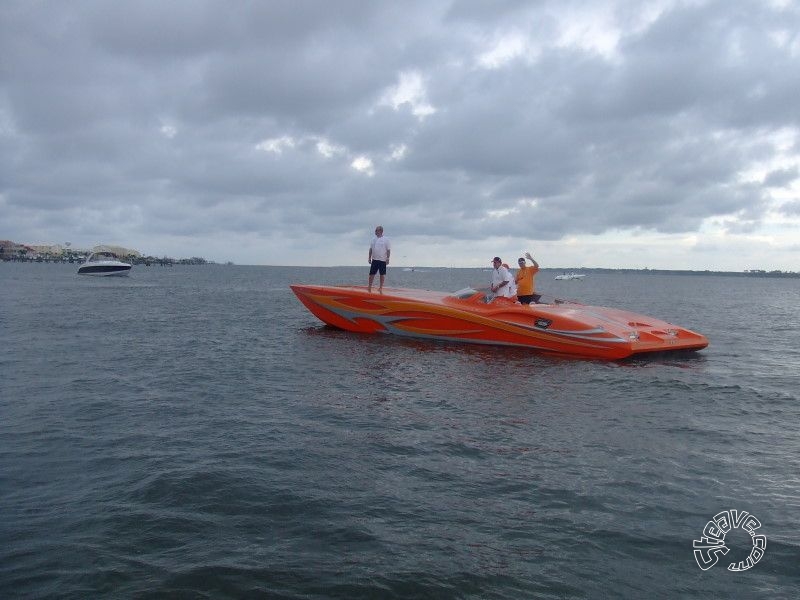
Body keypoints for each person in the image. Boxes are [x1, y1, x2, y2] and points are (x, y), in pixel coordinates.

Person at [368, 225, 391, 292]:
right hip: (374, 259)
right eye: (375, 230)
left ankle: (380, 287)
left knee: (382, 274)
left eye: (377, 230)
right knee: (371, 274)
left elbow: (388, 250)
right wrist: (369, 258)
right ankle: (369, 286)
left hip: (382, 260)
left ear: (381, 231)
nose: (375, 231)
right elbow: (370, 249)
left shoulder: (386, 239)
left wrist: (388, 258)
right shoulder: (373, 239)